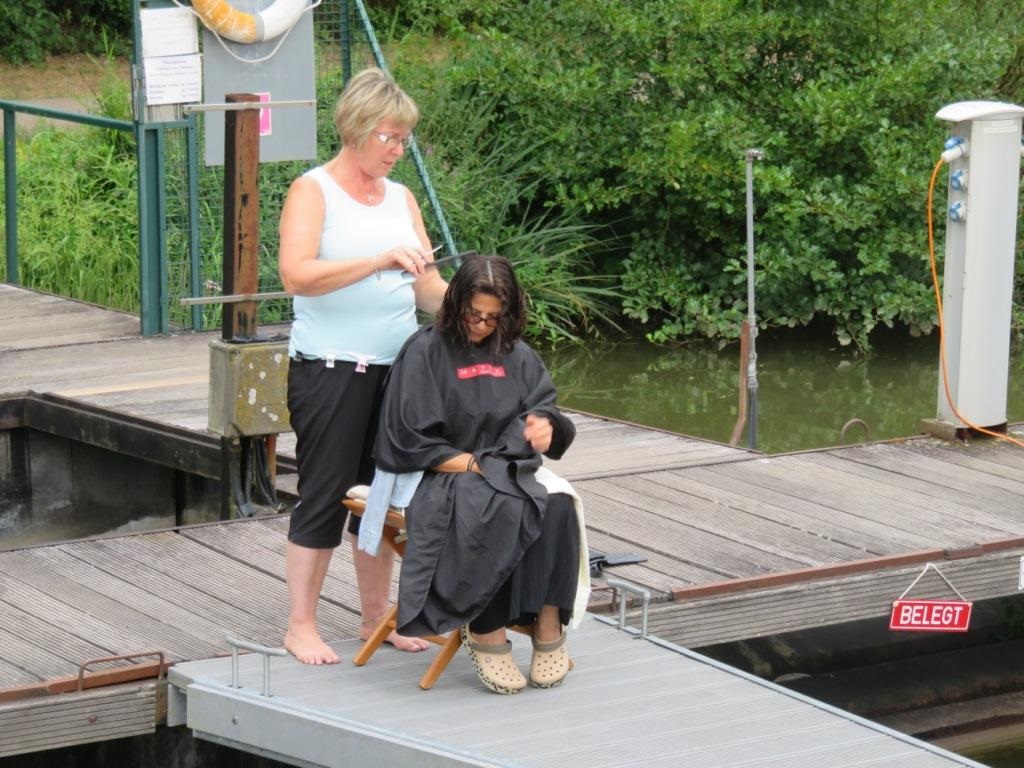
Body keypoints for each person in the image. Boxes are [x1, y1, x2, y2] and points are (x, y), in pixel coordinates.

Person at [278, 67, 448, 665]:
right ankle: (300, 624)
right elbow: (295, 275)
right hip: (330, 369)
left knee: (385, 495)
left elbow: (426, 285)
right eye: (391, 137)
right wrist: (377, 261)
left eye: (405, 139)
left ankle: (376, 618)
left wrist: (472, 308)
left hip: (398, 371)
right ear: (356, 128)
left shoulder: (402, 198)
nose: (400, 150)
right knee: (325, 491)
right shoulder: (313, 190)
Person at [372, 254, 590, 694]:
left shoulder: (516, 354)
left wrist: (546, 427)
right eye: (475, 316)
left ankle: (549, 626)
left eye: (494, 319)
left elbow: (545, 408)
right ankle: (486, 630)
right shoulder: (425, 351)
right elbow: (406, 438)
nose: (482, 327)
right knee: (497, 502)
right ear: (456, 304)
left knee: (560, 502)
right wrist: (473, 464)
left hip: (506, 465)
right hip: (442, 469)